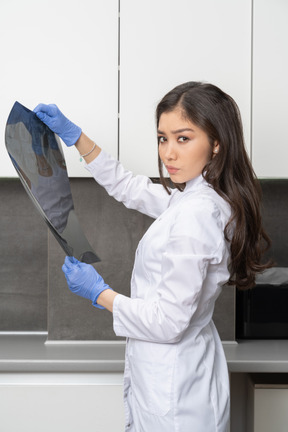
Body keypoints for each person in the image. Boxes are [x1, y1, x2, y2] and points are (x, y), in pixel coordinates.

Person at [34, 82, 271, 432]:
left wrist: (100, 294)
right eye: (163, 138)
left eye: (183, 138)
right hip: (182, 374)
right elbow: (130, 188)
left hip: (176, 392)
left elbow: (168, 322)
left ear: (217, 142)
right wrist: (77, 137)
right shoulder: (198, 197)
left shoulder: (197, 214)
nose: (168, 153)